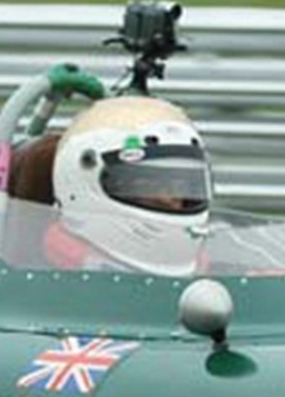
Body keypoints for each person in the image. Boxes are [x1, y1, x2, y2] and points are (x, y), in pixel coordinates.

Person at [44, 96, 212, 275]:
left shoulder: (215, 282)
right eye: (146, 185)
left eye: (180, 185)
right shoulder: (39, 287)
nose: (169, 199)